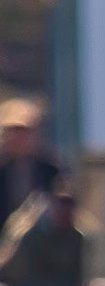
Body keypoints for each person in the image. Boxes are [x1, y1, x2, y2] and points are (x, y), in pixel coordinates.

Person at [0, 98, 60, 231]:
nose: (20, 138)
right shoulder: (2, 169)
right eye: (14, 131)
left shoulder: (51, 169)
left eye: (25, 132)